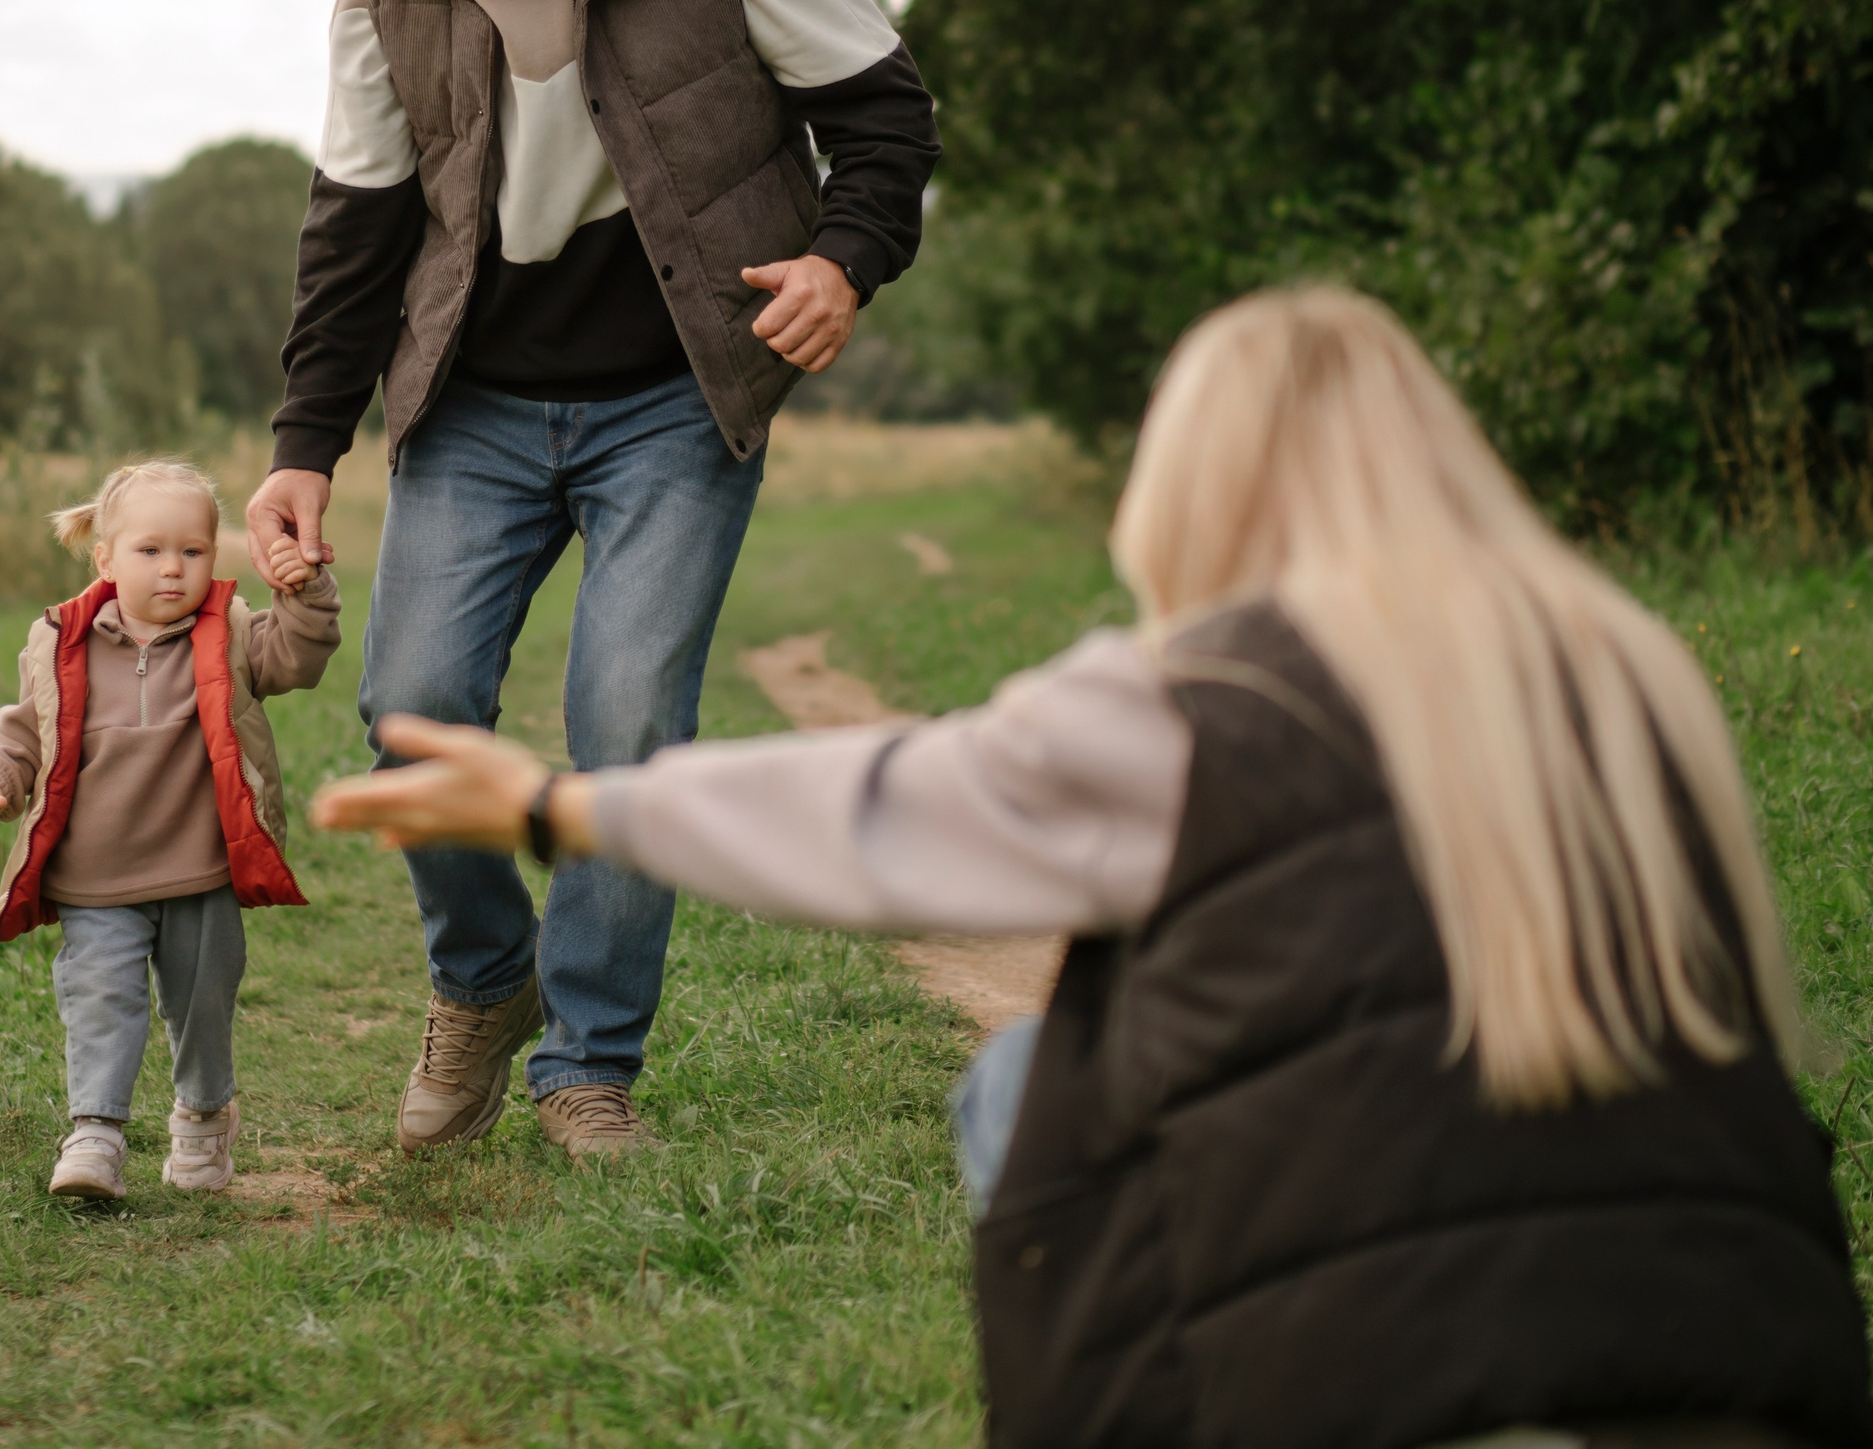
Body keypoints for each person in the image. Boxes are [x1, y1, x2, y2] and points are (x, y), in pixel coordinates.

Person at [312, 288, 1873, 1449]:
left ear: (1198, 484)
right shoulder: (1629, 673)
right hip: (1753, 1364)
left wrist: (565, 810)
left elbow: (889, 812)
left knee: (1021, 1090)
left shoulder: (1209, 696)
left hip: (1368, 1386)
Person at [244, 0, 942, 1160]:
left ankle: (589, 1063)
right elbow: (357, 217)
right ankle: (484, 984)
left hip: (675, 394)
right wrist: (305, 446)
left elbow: (882, 113)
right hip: (477, 398)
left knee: (626, 722)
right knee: (411, 707)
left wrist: (843, 261)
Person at [0, 460, 339, 1201]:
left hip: (202, 873)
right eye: (150, 551)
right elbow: (23, 735)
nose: (173, 570)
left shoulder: (230, 635)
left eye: (193, 552)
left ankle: (201, 1115)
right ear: (106, 558)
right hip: (96, 878)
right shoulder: (63, 644)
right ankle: (95, 1132)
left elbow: (300, 657)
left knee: (203, 1004)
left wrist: (303, 590)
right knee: (100, 996)